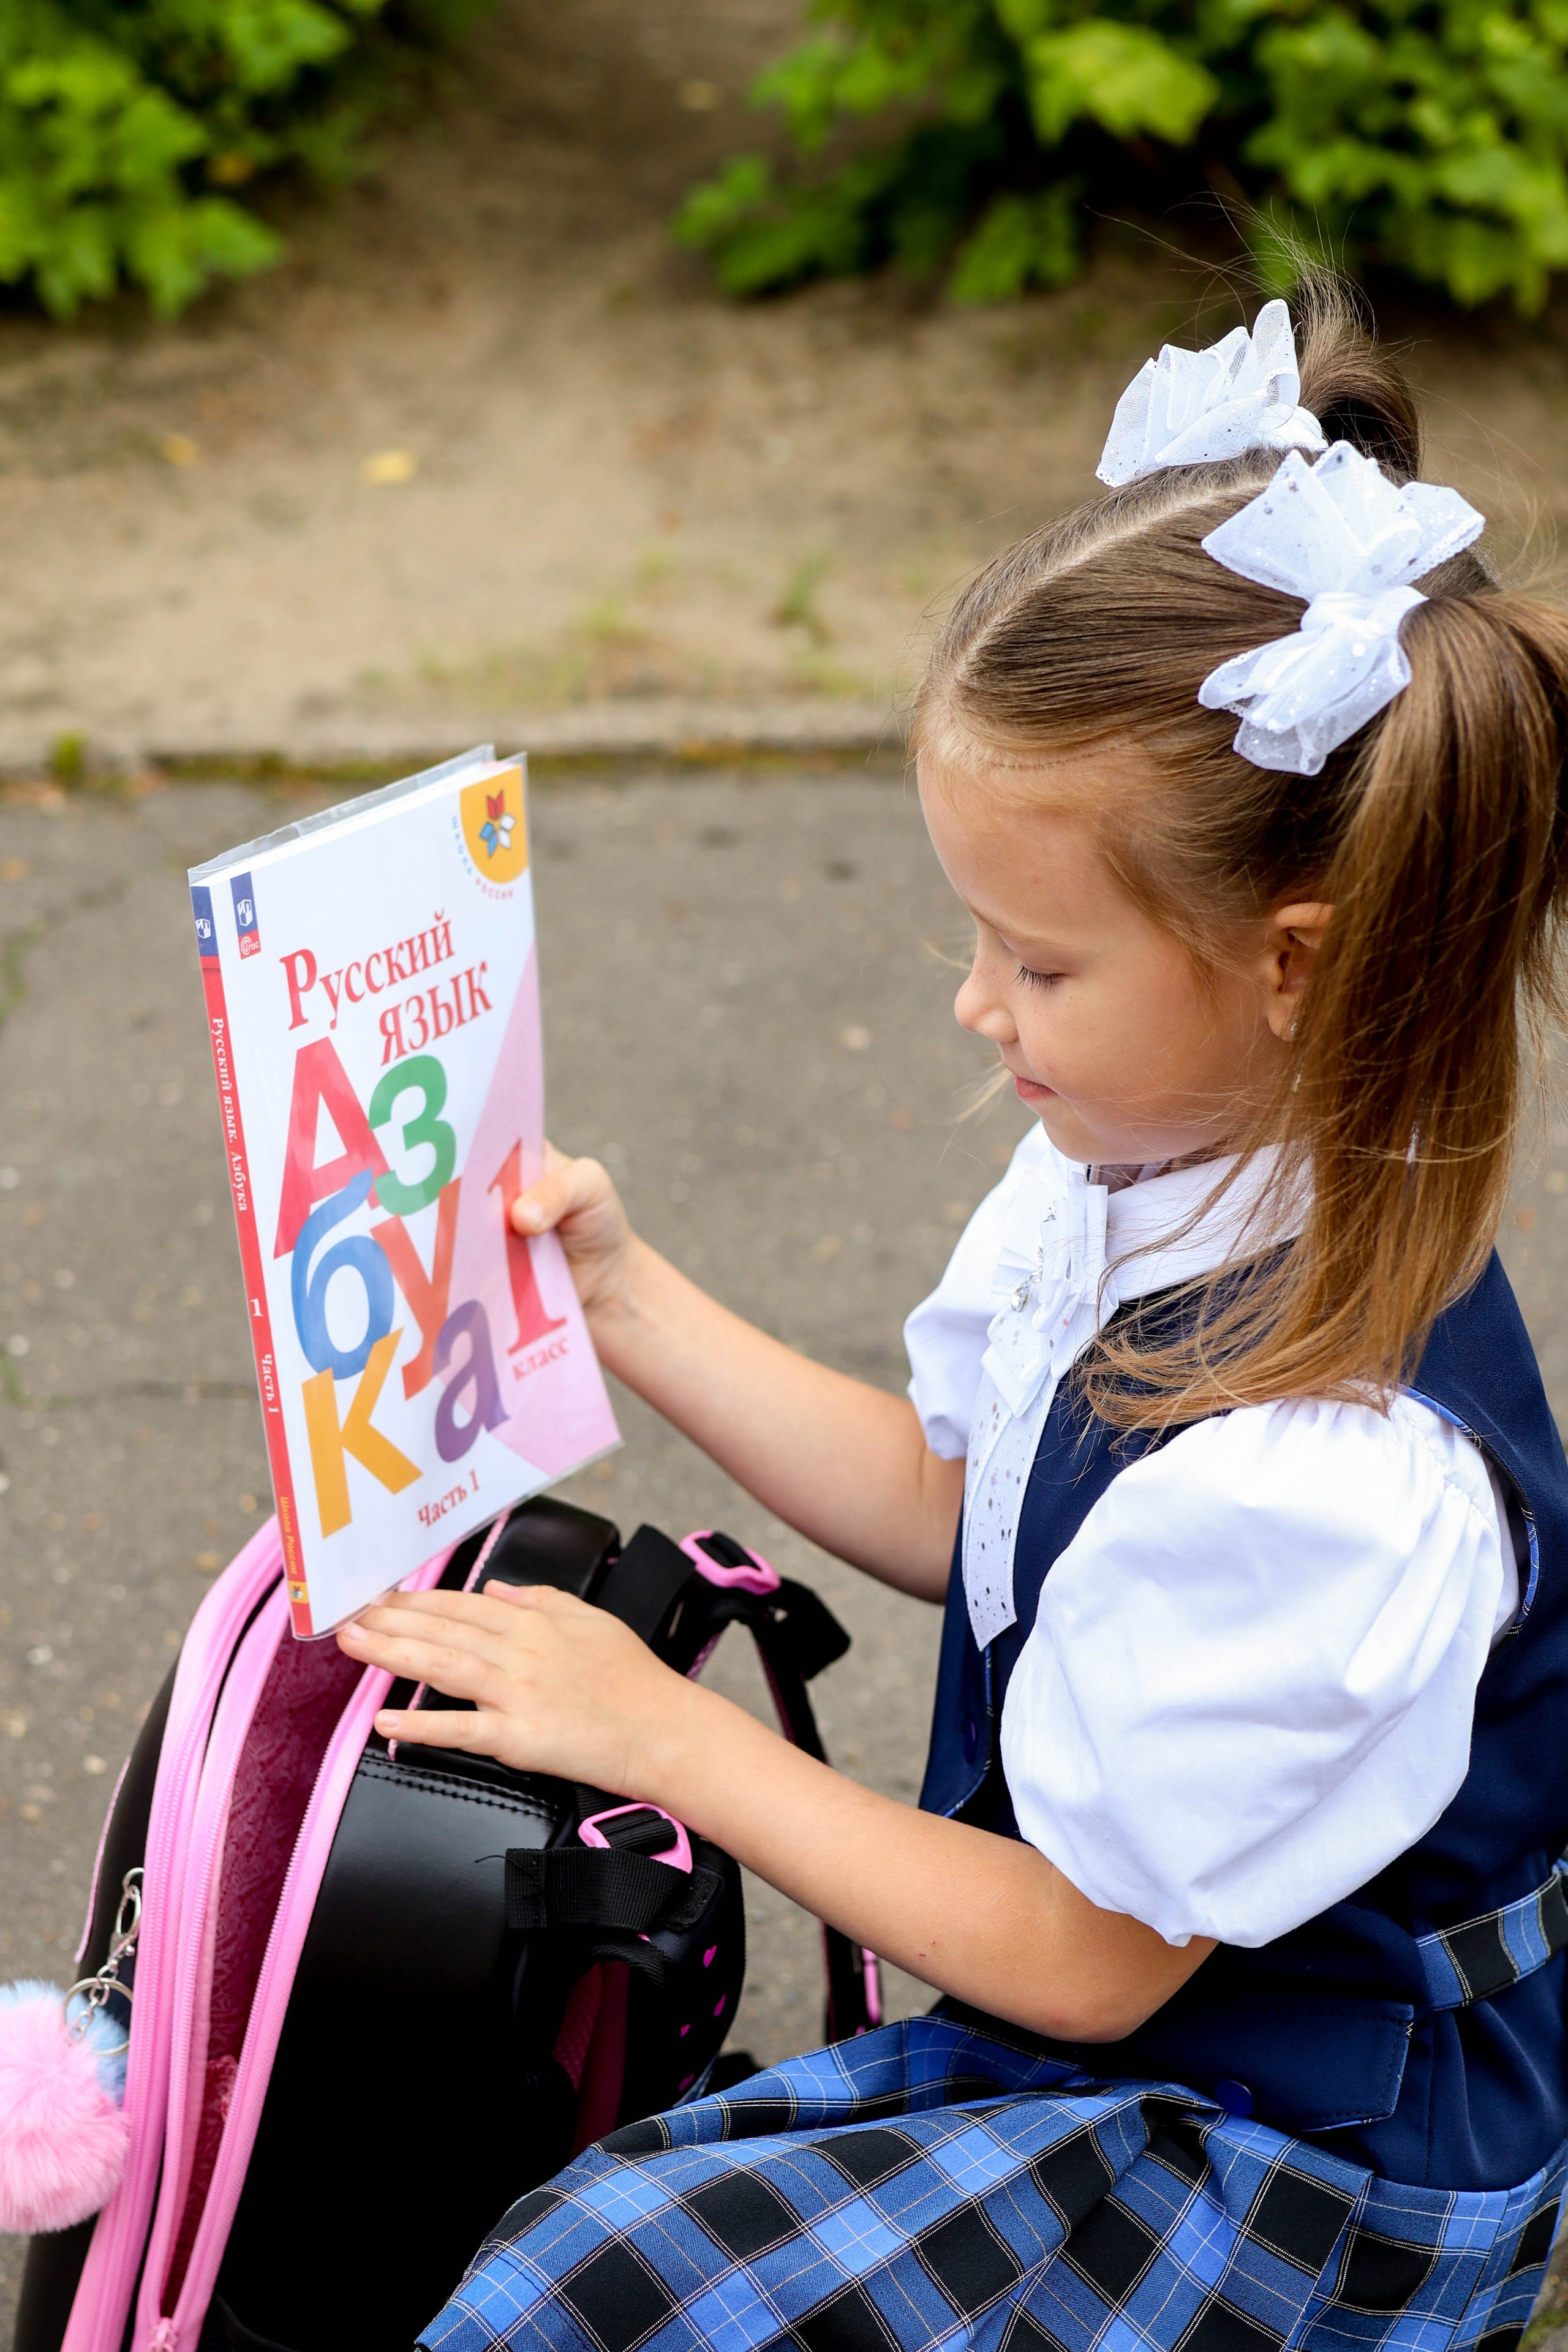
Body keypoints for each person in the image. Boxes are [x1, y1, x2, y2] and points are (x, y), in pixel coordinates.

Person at [339, 285, 1568, 2352]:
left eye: (1039, 962)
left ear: (1293, 965)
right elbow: (957, 1497)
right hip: (1126, 2025)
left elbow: (1090, 1969)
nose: (977, 1007)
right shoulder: (1135, 1164)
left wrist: (669, 1743)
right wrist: (628, 1301)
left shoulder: (1328, 1477)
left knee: (583, 2293)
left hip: (1298, 2150)